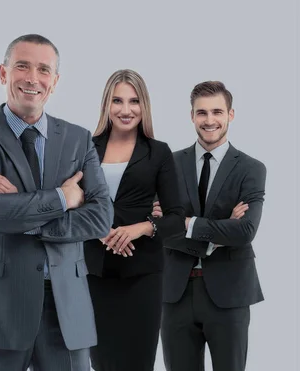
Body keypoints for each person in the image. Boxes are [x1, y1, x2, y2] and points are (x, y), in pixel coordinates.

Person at [0, 34, 114, 371]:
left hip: (66, 310)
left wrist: (22, 211)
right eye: (22, 66)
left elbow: (100, 219)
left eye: (43, 69)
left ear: (55, 81)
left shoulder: (78, 138)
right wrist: (62, 198)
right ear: (3, 73)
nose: (32, 78)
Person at [159, 81, 266, 371]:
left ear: (231, 114)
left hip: (229, 294)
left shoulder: (250, 169)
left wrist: (186, 222)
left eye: (217, 111)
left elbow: (245, 231)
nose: (209, 120)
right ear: (191, 116)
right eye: (201, 112)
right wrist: (217, 233)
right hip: (175, 293)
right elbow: (158, 230)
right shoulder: (168, 164)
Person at [83, 69, 185, 371]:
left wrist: (141, 228)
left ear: (144, 105)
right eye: (117, 100)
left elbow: (176, 219)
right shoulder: (85, 147)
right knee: (101, 362)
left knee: (139, 362)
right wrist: (101, 230)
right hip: (94, 274)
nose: (126, 110)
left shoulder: (159, 153)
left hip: (143, 276)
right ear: (106, 104)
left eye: (134, 101)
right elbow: (71, 205)